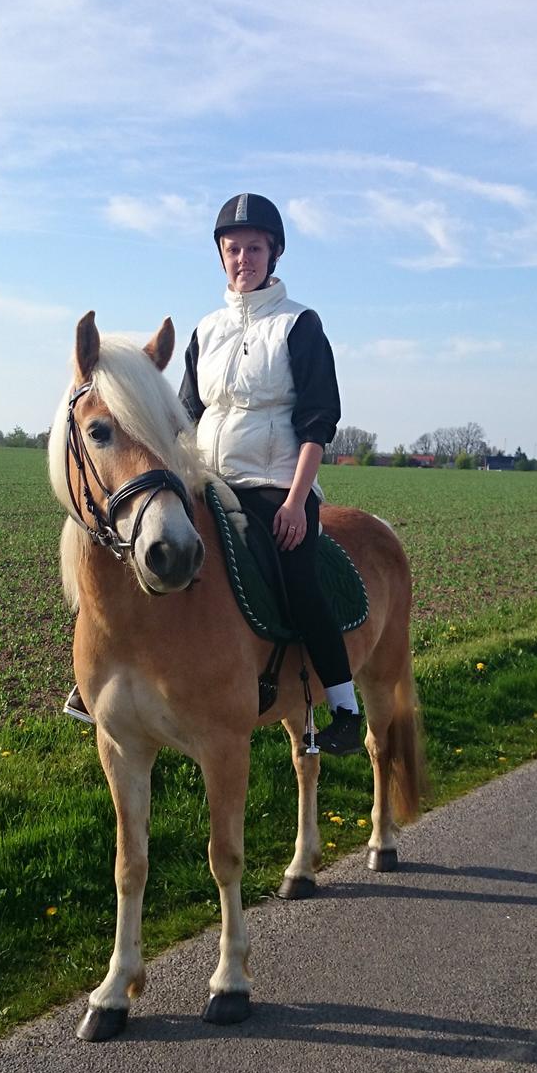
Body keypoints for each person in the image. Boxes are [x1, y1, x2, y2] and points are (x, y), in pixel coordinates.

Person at [65, 191, 361, 755]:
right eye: (233, 249)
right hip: (211, 477)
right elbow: (187, 416)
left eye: (254, 247)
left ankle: (343, 703)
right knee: (132, 542)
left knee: (297, 575)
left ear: (273, 255)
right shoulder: (207, 330)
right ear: (221, 256)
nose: (243, 258)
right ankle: (98, 678)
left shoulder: (299, 325)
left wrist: (298, 501)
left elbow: (319, 420)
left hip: (277, 482)